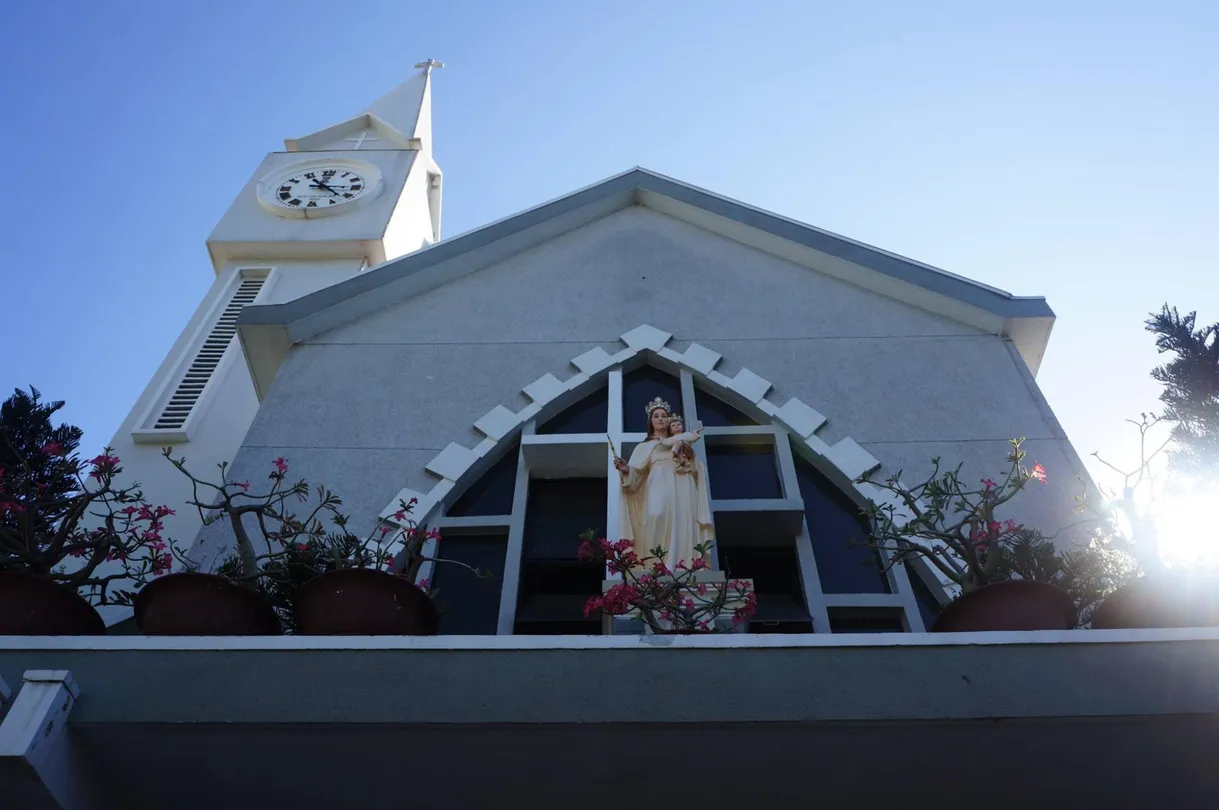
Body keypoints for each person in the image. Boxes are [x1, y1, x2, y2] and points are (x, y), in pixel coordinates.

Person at [613, 398, 715, 570]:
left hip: (683, 484)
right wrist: (626, 470)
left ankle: (685, 565)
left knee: (684, 520)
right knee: (655, 515)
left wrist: (691, 457)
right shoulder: (644, 447)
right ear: (650, 422)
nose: (660, 419)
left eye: (664, 416)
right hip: (658, 483)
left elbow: (696, 469)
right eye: (656, 416)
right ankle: (655, 567)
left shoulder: (680, 441)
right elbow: (635, 480)